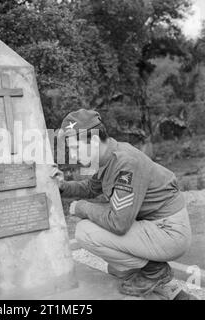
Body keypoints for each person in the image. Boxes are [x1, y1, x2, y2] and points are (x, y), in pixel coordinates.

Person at [51, 109, 196, 299]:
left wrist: (81, 208)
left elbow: (119, 223)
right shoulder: (107, 156)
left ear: (94, 141)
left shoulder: (125, 162)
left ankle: (154, 271)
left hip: (169, 231)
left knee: (85, 231)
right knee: (118, 267)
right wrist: (62, 186)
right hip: (154, 224)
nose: (73, 155)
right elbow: (90, 187)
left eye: (76, 148)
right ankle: (170, 289)